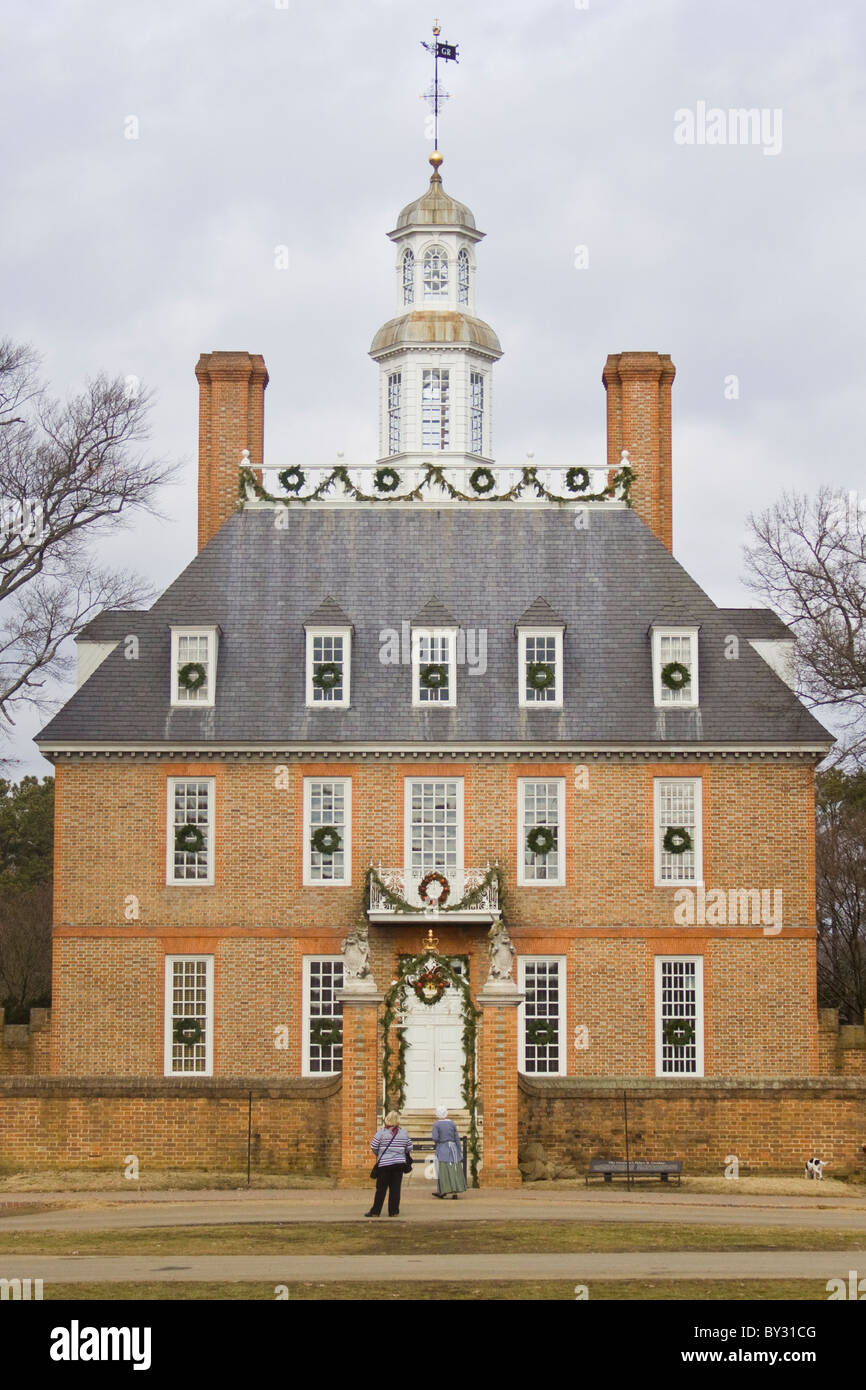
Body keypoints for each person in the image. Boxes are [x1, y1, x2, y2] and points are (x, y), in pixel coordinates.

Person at [365, 1111, 413, 1217]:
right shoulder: (404, 1133)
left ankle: (375, 1211)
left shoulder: (381, 1132)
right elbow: (409, 1147)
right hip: (399, 1164)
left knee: (381, 1189)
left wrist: (381, 1154)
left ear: (387, 1120)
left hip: (384, 1165)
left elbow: (374, 1146)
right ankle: (393, 1211)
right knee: (395, 1189)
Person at [431, 1104, 467, 1199]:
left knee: (443, 1170)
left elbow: (435, 1137)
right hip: (453, 1149)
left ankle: (443, 1191)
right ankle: (455, 1192)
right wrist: (459, 1151)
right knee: (454, 1170)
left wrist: (438, 1142)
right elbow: (457, 1138)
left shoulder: (437, 1124)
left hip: (442, 1149)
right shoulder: (452, 1123)